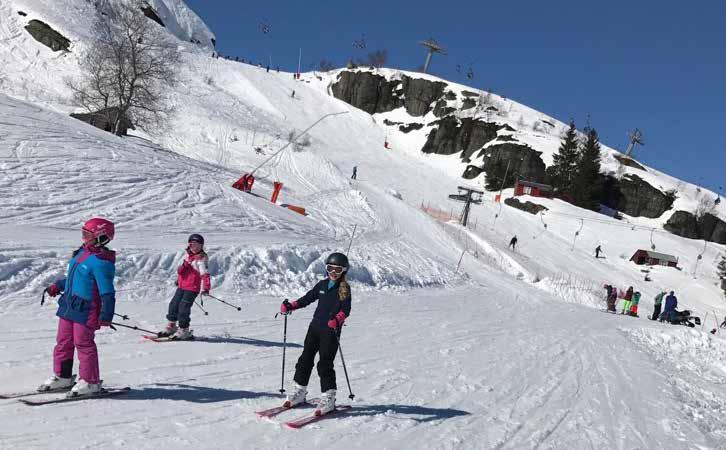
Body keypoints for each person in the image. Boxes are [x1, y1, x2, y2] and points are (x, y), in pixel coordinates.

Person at [40, 218, 116, 397]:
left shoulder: (101, 262)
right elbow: (75, 279)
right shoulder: (82, 253)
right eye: (83, 234)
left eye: (87, 235)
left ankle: (91, 382)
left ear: (100, 237)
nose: (83, 238)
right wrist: (58, 285)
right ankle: (63, 376)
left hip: (86, 308)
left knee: (83, 343)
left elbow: (107, 292)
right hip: (69, 303)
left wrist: (106, 314)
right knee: (63, 341)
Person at [279, 252, 352, 415]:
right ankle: (299, 391)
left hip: (331, 331)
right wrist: (291, 306)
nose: (333, 272)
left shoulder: (344, 289)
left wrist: (338, 319)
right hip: (315, 328)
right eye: (330, 268)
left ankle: (329, 398)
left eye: (337, 270)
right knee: (305, 358)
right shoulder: (322, 285)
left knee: (324, 364)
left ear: (344, 271)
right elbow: (307, 298)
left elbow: (346, 310)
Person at [158, 234, 211, 340]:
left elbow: (205, 275)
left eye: (197, 245)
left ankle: (184, 330)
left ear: (201, 246)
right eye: (192, 244)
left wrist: (205, 288)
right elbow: (181, 271)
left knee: (183, 309)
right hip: (182, 286)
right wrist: (179, 279)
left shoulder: (201, 259)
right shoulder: (187, 256)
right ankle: (171, 326)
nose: (194, 247)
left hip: (192, 288)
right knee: (173, 305)